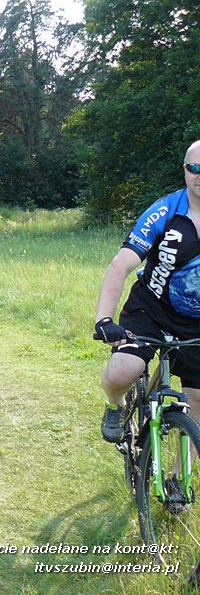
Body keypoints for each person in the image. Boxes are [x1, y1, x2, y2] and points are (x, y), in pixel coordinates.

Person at [96, 141, 200, 445]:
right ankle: (116, 405)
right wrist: (104, 319)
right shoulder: (165, 211)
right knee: (122, 372)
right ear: (185, 169)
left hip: (195, 323)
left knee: (198, 402)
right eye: (195, 168)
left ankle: (180, 472)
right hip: (150, 309)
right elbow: (121, 264)